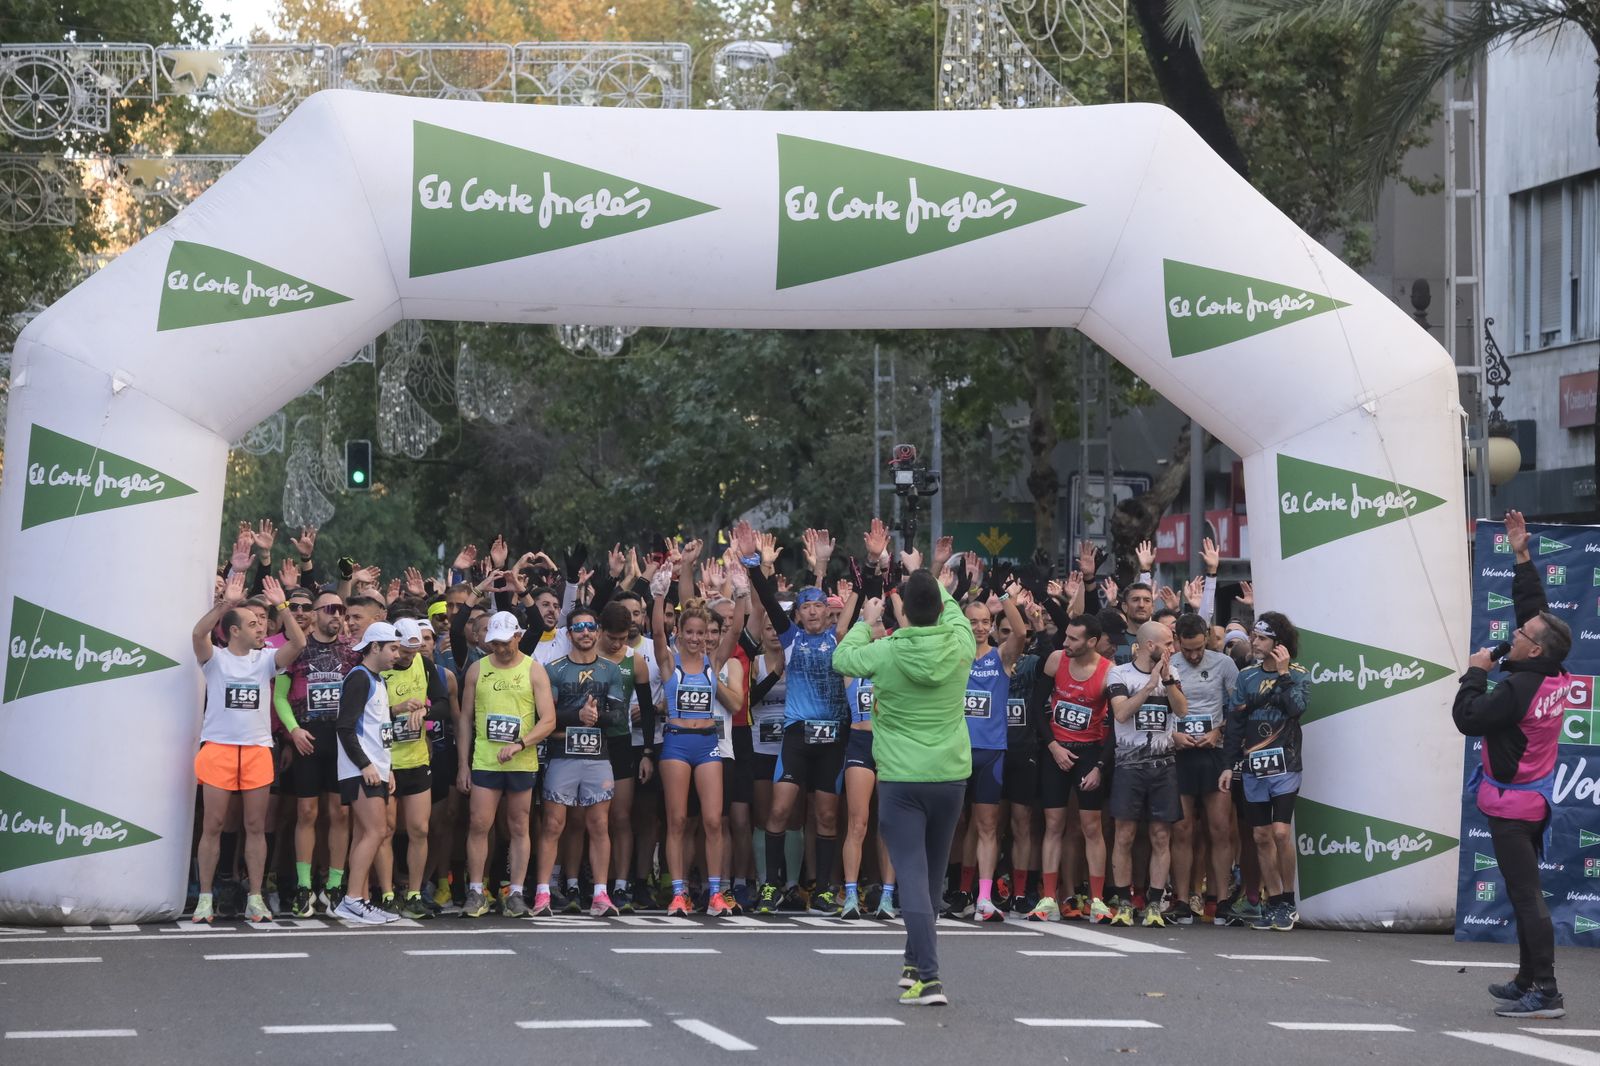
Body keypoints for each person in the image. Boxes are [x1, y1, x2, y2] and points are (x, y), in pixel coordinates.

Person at [832, 552, 974, 1008]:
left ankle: (929, 978)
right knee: (930, 875)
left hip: (900, 777)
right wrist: (924, 575)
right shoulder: (961, 643)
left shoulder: (888, 651)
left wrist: (866, 621)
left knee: (911, 874)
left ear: (904, 612)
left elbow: (842, 658)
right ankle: (914, 964)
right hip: (950, 775)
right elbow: (950, 610)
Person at [1453, 509, 1573, 1020]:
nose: (1514, 633)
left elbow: (1467, 718)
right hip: (1534, 799)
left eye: (1521, 633)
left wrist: (1474, 672)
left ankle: (1545, 990)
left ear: (1535, 648)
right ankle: (1527, 978)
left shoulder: (1517, 689)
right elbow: (1537, 612)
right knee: (1526, 893)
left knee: (1526, 896)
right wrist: (1522, 555)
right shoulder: (1553, 670)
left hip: (1513, 806)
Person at [737, 523, 852, 916]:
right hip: (797, 737)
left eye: (819, 604)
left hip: (833, 739)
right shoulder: (792, 639)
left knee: (827, 815)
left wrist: (866, 564)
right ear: (798, 614)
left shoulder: (841, 639)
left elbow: (864, 600)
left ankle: (823, 890)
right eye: (806, 606)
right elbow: (769, 602)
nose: (813, 610)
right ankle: (771, 886)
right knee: (779, 811)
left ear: (829, 610)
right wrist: (753, 564)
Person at [191, 574, 306, 923]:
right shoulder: (215, 658)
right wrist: (226, 604)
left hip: (257, 750)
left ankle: (255, 897)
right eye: (253, 624)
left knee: (255, 825)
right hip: (219, 749)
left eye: (262, 623)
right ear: (233, 630)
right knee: (213, 824)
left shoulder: (266, 659)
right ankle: (205, 898)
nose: (261, 628)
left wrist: (282, 605)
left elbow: (299, 642)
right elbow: (197, 634)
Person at [457, 611, 557, 918]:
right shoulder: (477, 669)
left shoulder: (533, 669)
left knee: (519, 825)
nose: (501, 648)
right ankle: (476, 891)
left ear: (517, 636)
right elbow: (465, 719)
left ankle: (515, 892)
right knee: (479, 823)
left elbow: (549, 720)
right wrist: (463, 765)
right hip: (486, 760)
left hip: (520, 761)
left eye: (506, 642)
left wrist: (520, 744)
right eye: (495, 643)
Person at [533, 605, 629, 918]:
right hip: (562, 755)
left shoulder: (610, 670)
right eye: (578, 627)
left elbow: (618, 716)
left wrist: (595, 717)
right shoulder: (554, 669)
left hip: (597, 757)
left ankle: (601, 894)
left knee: (599, 824)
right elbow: (545, 715)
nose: (585, 632)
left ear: (598, 632)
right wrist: (579, 716)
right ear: (569, 634)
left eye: (590, 627)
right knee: (553, 824)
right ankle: (543, 892)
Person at [651, 575, 736, 917]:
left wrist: (742, 592)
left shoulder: (712, 663)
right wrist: (659, 596)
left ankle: (715, 893)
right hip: (676, 743)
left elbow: (734, 631)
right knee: (678, 820)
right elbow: (657, 634)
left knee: (713, 821)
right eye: (690, 632)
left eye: (701, 633)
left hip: (707, 744)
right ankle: (678, 893)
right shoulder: (669, 662)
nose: (696, 638)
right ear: (680, 633)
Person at [1221, 612, 1310, 932]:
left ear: (1278, 643)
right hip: (1253, 766)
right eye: (1254, 637)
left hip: (1286, 763)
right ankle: (1272, 901)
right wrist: (1229, 765)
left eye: (1261, 638)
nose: (1254, 643)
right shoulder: (1247, 676)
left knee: (1281, 832)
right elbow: (1235, 723)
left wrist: (1284, 674)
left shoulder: (1298, 674)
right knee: (1260, 835)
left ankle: (1288, 900)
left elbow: (1296, 709)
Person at [1030, 614, 1114, 924]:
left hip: (1089, 753)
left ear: (1092, 642)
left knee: (1092, 827)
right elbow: (1036, 706)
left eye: (1073, 639)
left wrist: (1100, 767)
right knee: (1054, 824)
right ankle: (1049, 897)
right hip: (1056, 750)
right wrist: (1053, 746)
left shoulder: (1109, 672)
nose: (1065, 642)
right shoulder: (1056, 660)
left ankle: (1097, 900)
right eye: (1066, 636)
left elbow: (1118, 725)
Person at [277, 590, 356, 917]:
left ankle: (334, 885)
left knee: (340, 814)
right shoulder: (298, 648)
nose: (336, 615)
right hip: (308, 737)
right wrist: (294, 730)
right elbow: (280, 697)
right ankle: (303, 886)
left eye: (341, 609)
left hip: (341, 739)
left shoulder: (352, 651)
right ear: (315, 614)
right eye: (329, 609)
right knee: (306, 812)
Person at [954, 575, 1027, 922]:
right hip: (953, 753)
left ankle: (984, 897)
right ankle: (951, 890)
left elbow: (1021, 633)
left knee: (987, 825)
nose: (980, 628)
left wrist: (1005, 596)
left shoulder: (1001, 657)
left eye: (985, 622)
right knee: (951, 825)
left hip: (990, 752)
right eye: (973, 622)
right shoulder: (952, 657)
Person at [1105, 620, 1185, 928]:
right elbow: (1121, 713)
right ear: (1150, 645)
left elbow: (1182, 711)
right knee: (1124, 834)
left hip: (1164, 766)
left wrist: (1167, 682)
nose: (1173, 649)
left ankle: (1154, 903)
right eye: (1168, 643)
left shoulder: (1172, 672)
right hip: (1129, 766)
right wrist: (1150, 686)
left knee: (1161, 835)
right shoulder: (1120, 673)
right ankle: (1124, 902)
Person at [1169, 612, 1238, 925]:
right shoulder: (1169, 664)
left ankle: (1221, 901)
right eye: (1188, 650)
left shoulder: (1224, 664)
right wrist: (1173, 735)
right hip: (1180, 752)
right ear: (1177, 642)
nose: (1194, 655)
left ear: (1207, 639)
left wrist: (1219, 731)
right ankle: (1182, 900)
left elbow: (1238, 708)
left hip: (1214, 753)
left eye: (1199, 648)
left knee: (1220, 829)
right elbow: (1158, 707)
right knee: (1182, 829)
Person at [332, 622, 402, 924]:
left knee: (364, 833)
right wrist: (364, 764)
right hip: (361, 769)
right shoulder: (359, 677)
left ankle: (359, 899)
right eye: (393, 648)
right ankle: (351, 899)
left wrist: (388, 768)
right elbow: (345, 727)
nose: (397, 654)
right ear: (375, 647)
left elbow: (379, 730)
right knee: (376, 832)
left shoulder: (378, 680)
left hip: (376, 768)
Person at [384, 617, 442, 919]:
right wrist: (395, 709)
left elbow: (444, 703)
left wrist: (426, 710)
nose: (407, 658)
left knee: (419, 828)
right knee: (385, 830)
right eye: (403, 652)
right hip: (386, 761)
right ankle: (387, 892)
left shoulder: (425, 664)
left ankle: (415, 893)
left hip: (416, 759)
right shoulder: (379, 668)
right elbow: (363, 712)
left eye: (413, 652)